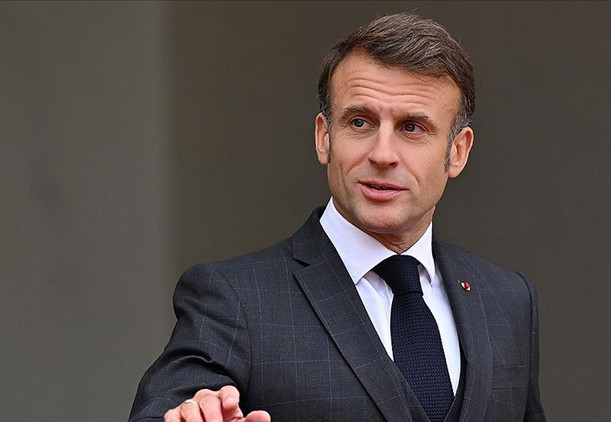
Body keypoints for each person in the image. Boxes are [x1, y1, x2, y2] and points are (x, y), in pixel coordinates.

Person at [128, 12, 546, 422]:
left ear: (458, 152)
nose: (382, 154)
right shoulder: (234, 299)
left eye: (412, 128)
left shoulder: (508, 300)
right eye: (360, 122)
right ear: (324, 138)